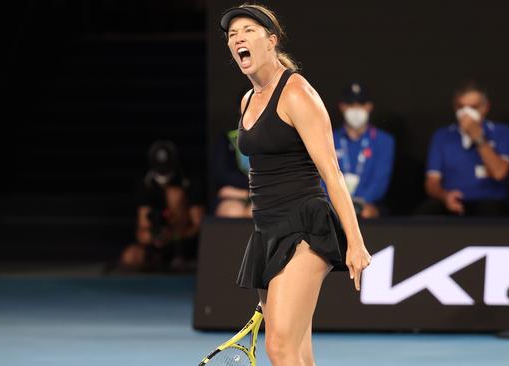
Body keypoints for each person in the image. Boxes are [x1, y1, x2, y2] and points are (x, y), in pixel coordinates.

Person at [220, 4, 371, 365]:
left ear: (271, 41)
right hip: (266, 231)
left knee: (280, 347)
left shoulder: (297, 92)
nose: (238, 38)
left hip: (305, 226)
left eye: (249, 30)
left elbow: (330, 171)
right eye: (232, 34)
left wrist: (355, 241)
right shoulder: (246, 100)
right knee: (298, 353)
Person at [417, 80, 509, 216]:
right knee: (426, 213)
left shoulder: (502, 132)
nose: (466, 113)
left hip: (490, 202)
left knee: (490, 212)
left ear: (486, 108)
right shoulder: (442, 135)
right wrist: (445, 196)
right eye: (461, 107)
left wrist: (477, 136)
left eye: (473, 107)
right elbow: (432, 182)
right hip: (452, 200)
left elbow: (499, 173)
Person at [120, 140, 204, 271]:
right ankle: (156, 261)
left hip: (183, 239)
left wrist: (175, 235)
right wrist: (153, 237)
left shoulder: (188, 182)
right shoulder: (145, 184)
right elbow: (142, 228)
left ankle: (178, 257)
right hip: (156, 241)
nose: (163, 176)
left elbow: (199, 225)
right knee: (130, 257)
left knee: (173, 194)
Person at [334, 82, 395, 218]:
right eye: (350, 104)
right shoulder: (329, 139)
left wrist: (358, 204)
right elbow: (322, 178)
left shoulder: (384, 140)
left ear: (369, 106)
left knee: (367, 213)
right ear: (342, 107)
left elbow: (380, 181)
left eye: (361, 104)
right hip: (334, 204)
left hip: (368, 204)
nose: (356, 109)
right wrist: (339, 204)